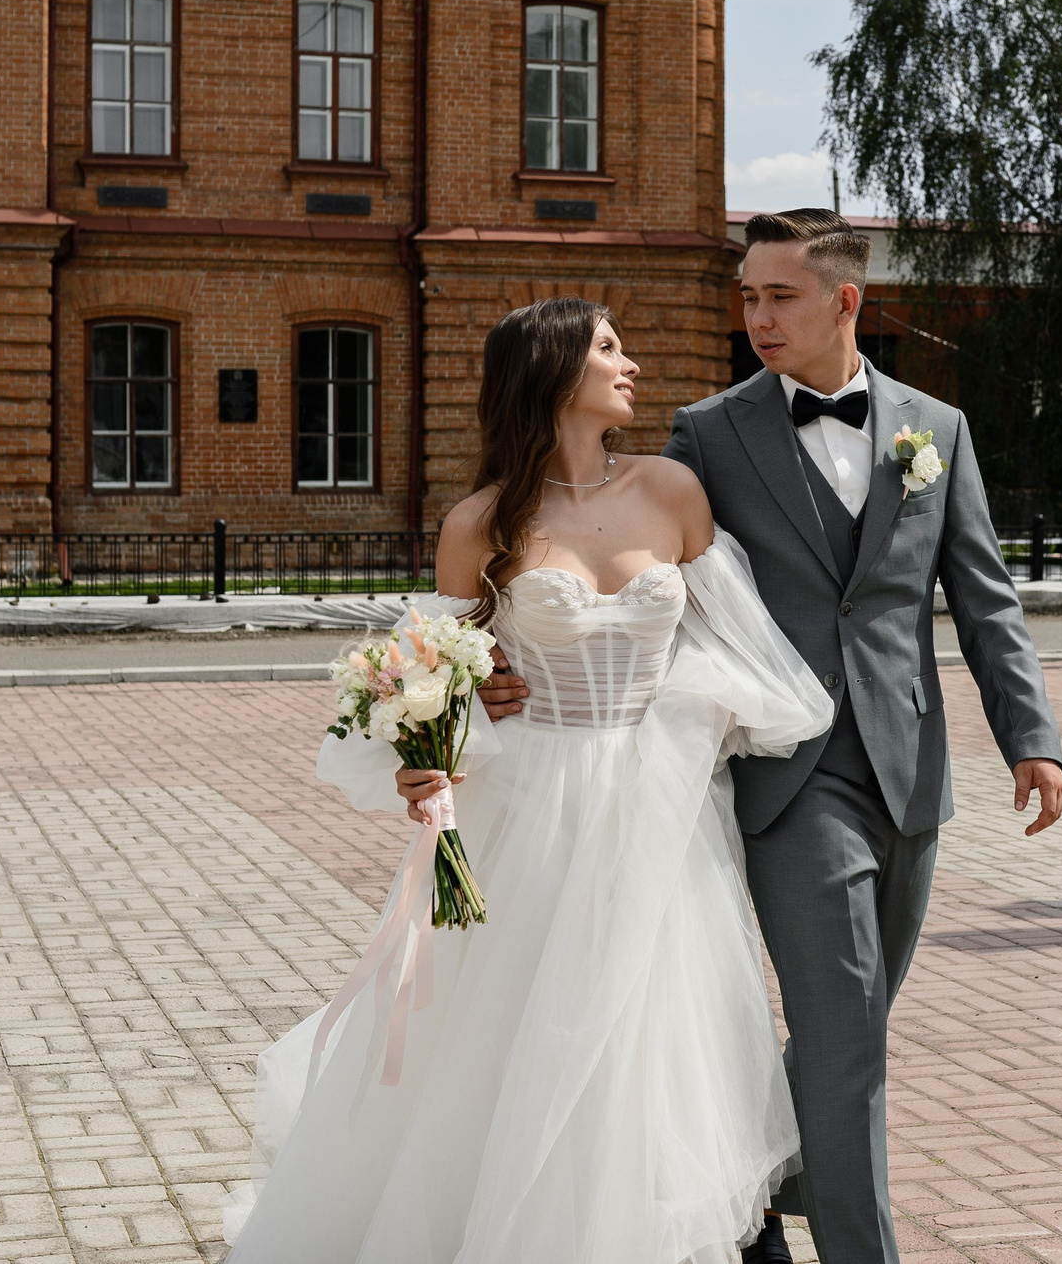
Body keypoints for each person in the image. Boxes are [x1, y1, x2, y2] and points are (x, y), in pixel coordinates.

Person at [487, 209, 1062, 1264]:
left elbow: (984, 601)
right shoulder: (710, 434)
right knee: (847, 1035)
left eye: (778, 295)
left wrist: (1032, 736)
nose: (755, 314)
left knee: (854, 1023)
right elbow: (643, 570)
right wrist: (523, 661)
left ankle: (759, 1182)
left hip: (909, 775)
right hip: (785, 776)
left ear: (844, 300)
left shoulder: (934, 430)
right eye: (746, 295)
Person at [224, 298, 836, 1264]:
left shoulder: (671, 489)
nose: (629, 363)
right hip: (532, 808)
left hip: (655, 802)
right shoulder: (480, 523)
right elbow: (432, 670)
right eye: (606, 348)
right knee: (512, 1030)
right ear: (553, 373)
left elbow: (737, 644)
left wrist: (681, 709)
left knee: (642, 1030)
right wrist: (456, 715)